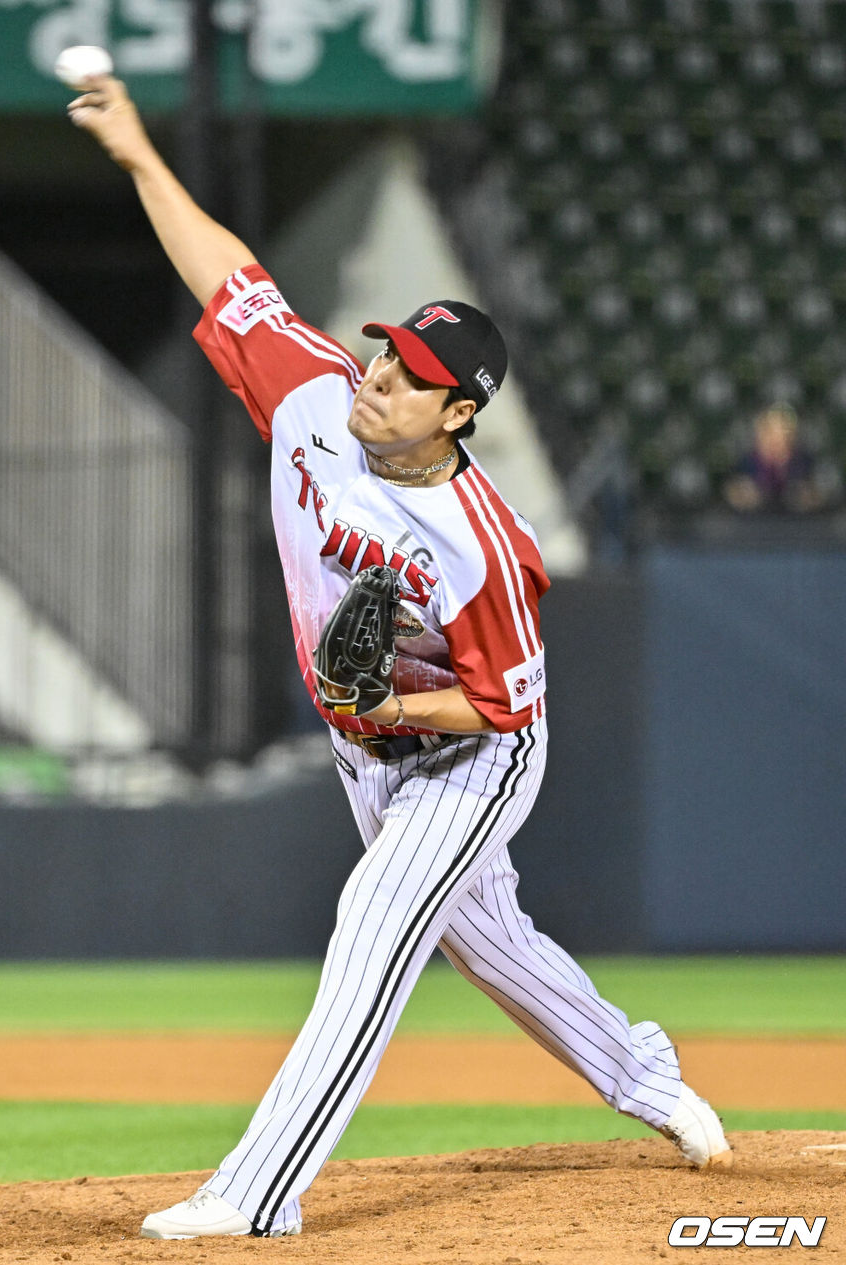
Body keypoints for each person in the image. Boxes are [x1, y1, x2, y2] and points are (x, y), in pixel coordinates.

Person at [67, 76, 732, 1241]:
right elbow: (228, 274)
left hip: (470, 756)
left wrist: (388, 697)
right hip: (366, 747)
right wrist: (136, 155)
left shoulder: (485, 550)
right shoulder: (318, 397)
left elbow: (498, 705)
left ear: (457, 415)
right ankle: (644, 1071)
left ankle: (255, 1193)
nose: (373, 382)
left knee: (377, 918)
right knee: (492, 945)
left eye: (405, 380)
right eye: (380, 360)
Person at [722, 403, 825, 513]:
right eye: (770, 432)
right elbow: (731, 493)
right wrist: (741, 496)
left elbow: (819, 495)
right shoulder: (745, 463)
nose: (776, 440)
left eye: (783, 433)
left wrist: (808, 497)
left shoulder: (805, 462)